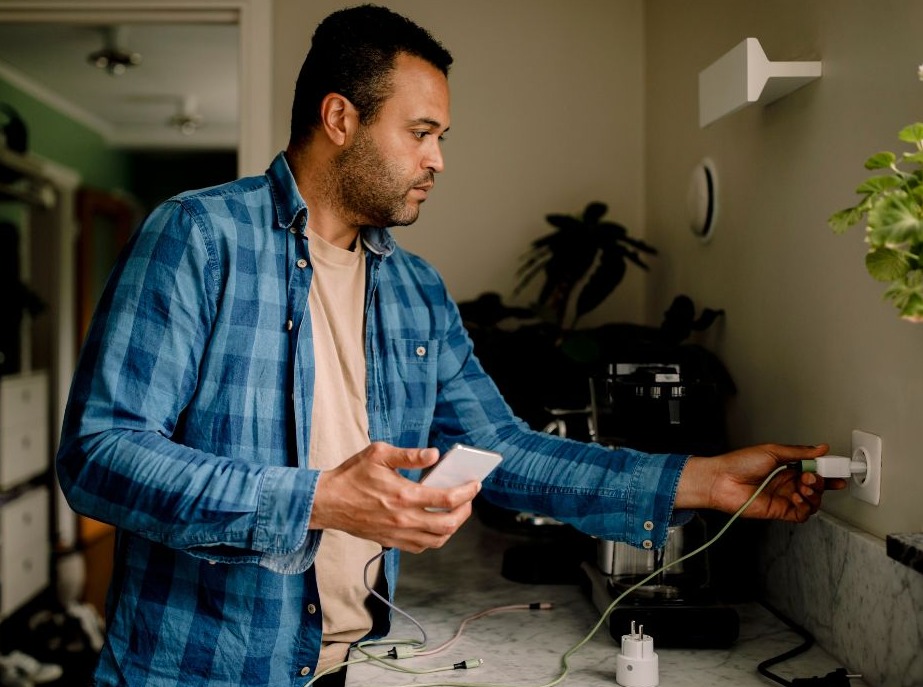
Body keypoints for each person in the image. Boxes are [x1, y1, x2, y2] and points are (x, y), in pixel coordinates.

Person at [55, 5, 844, 687]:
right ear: (340, 119)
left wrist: (704, 481)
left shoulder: (415, 288)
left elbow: (503, 450)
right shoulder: (198, 235)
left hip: (354, 665)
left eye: (440, 135)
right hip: (197, 667)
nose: (437, 160)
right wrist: (317, 497)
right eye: (421, 132)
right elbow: (98, 453)